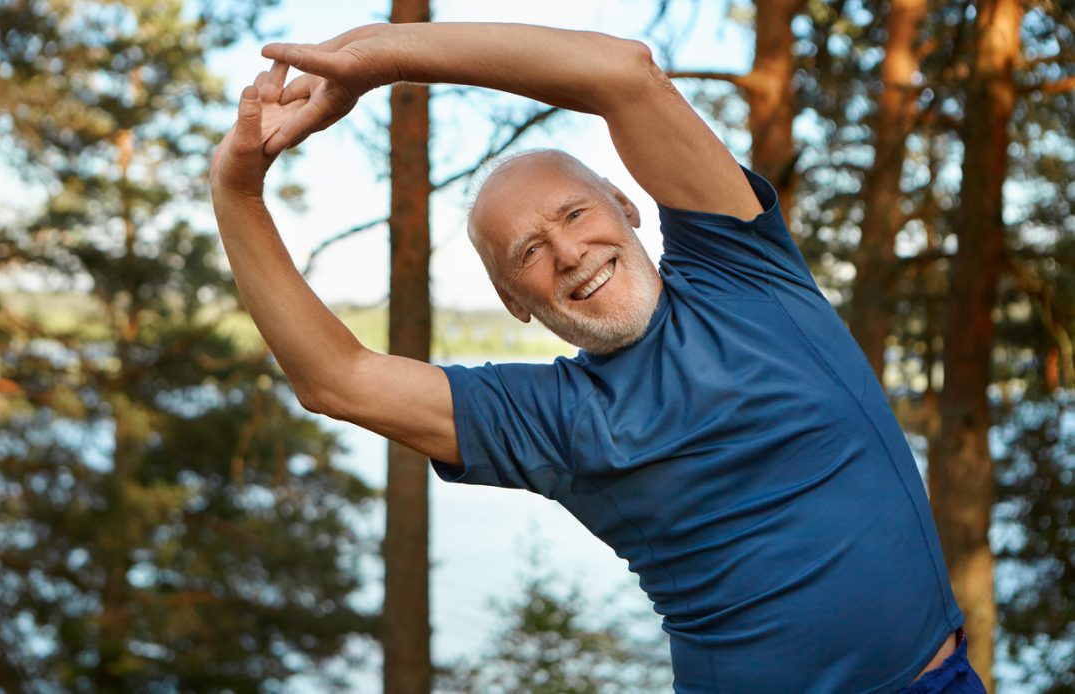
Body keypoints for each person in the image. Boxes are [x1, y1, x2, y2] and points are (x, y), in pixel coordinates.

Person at [210, 21, 986, 693]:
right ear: (515, 300)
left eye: (576, 213)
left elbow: (622, 73)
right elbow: (335, 378)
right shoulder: (551, 420)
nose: (571, 251)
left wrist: (379, 56)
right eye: (529, 252)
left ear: (628, 205)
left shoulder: (744, 273)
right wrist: (236, 191)